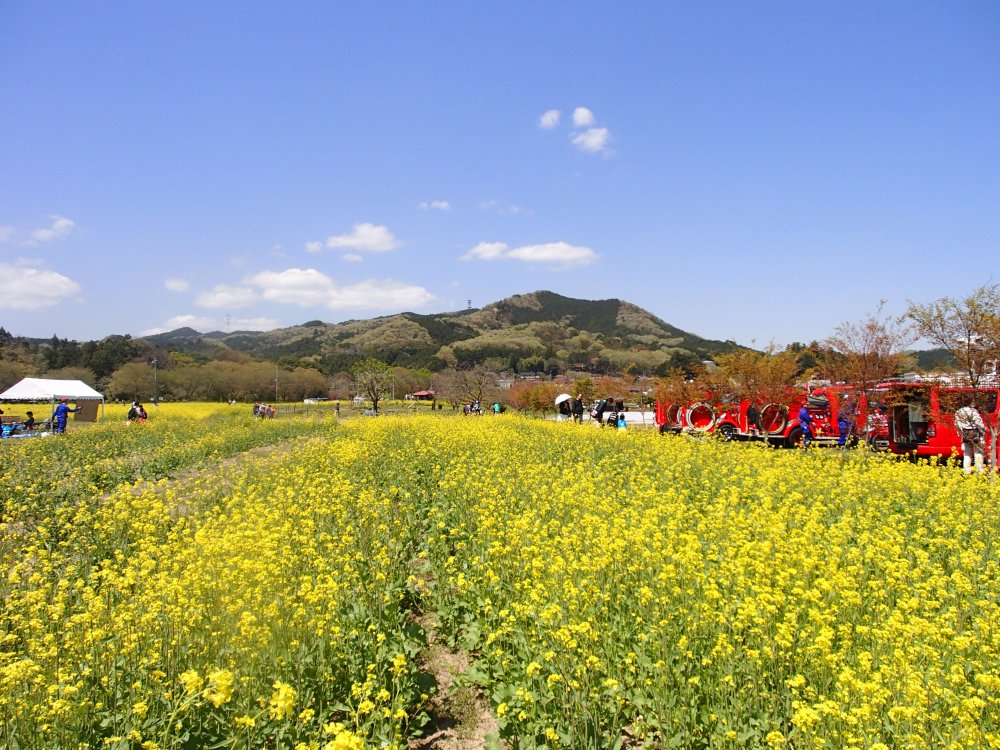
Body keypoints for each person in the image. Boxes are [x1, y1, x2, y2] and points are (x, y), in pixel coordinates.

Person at [954, 400, 986, 474]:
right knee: (978, 452)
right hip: (975, 434)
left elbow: (957, 424)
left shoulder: (958, 412)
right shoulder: (973, 411)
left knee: (967, 453)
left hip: (965, 434)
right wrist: (983, 431)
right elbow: (978, 423)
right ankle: (979, 470)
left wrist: (961, 433)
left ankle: (966, 470)